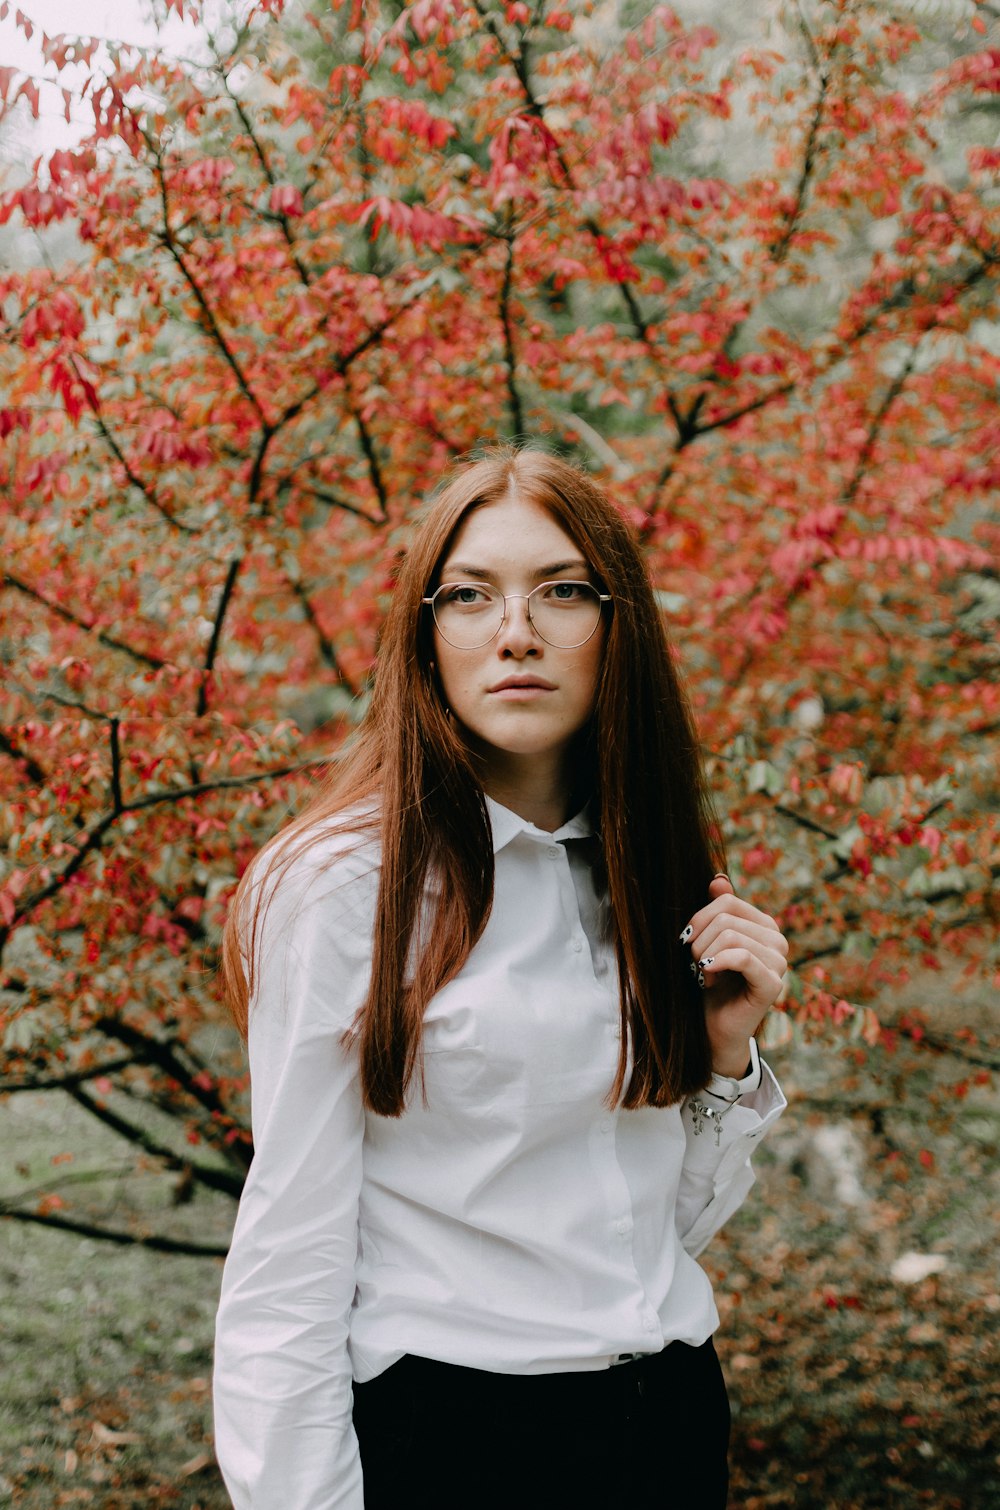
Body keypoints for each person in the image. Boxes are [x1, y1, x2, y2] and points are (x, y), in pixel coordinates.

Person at [213, 441, 788, 1510]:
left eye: (561, 590)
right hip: (458, 1441)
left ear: (618, 626)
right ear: (426, 634)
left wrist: (719, 1061)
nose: (515, 631)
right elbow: (289, 1252)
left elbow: (637, 1234)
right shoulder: (346, 884)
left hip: (667, 1420)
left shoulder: (648, 864)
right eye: (470, 594)